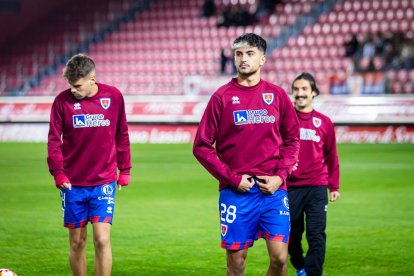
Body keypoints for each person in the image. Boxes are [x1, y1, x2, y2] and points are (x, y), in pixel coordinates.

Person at [193, 33, 300, 276]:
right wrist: (233, 179)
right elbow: (201, 146)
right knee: (237, 264)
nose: (243, 59)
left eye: (250, 53)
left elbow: (293, 139)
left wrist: (280, 177)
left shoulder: (278, 95)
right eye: (239, 54)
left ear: (262, 59)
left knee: (281, 259)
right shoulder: (221, 97)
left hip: (273, 189)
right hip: (236, 192)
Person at [47, 54, 132, 276]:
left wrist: (125, 170)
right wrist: (58, 173)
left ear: (92, 79)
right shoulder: (61, 102)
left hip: (103, 182)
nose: (73, 90)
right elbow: (54, 142)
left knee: (102, 239)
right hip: (72, 185)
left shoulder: (113, 97)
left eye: (77, 85)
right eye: (70, 85)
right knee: (77, 242)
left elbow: (121, 134)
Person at [287, 72, 340, 276]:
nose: (299, 93)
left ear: (314, 93)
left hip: (317, 186)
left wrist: (333, 186)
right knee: (292, 235)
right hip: (290, 187)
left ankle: (313, 273)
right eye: (296, 89)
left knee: (316, 234)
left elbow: (331, 156)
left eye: (304, 89)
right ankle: (300, 265)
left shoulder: (324, 122)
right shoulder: (285, 120)